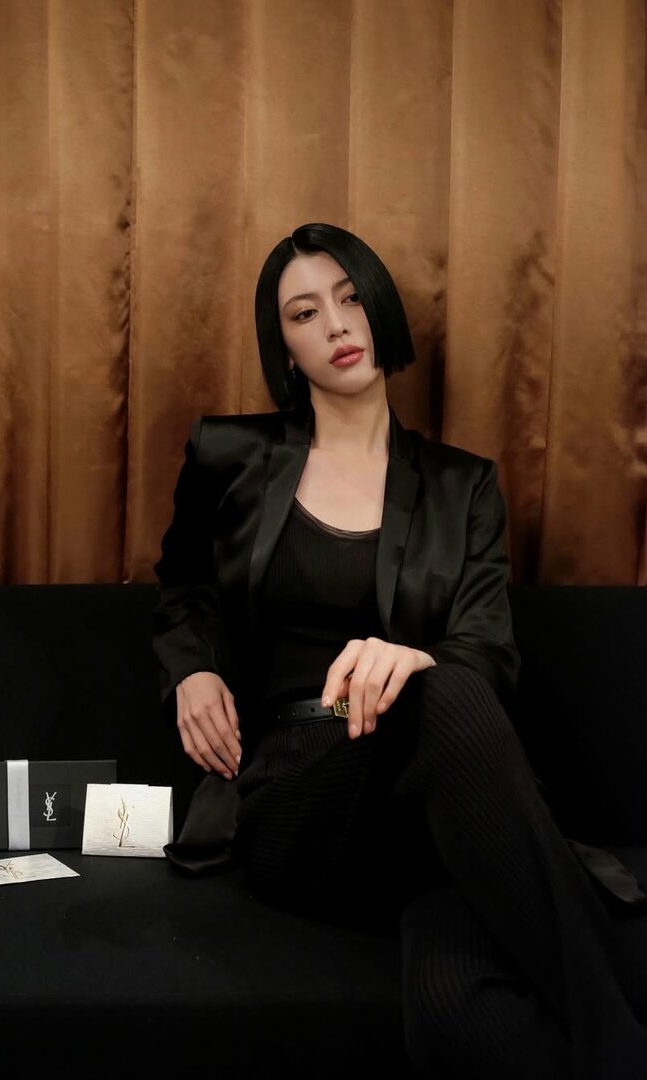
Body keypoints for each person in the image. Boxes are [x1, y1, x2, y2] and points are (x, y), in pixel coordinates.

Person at [151, 222, 647, 1078]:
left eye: (350, 298)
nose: (337, 325)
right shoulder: (230, 456)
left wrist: (416, 660)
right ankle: (625, 1049)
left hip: (433, 810)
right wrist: (192, 668)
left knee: (460, 1018)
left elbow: (488, 651)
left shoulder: (463, 485)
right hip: (303, 795)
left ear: (380, 307)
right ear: (285, 347)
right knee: (442, 696)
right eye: (305, 313)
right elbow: (182, 586)